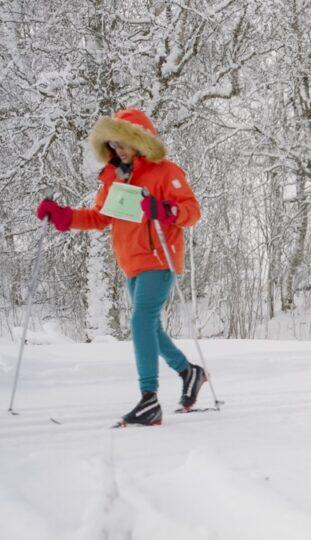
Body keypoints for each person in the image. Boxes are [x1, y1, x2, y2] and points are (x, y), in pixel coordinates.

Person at [35, 109, 204, 426]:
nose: (118, 149)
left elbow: (192, 211)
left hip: (159, 259)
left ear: (139, 141)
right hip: (131, 263)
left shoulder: (165, 171)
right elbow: (100, 217)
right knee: (150, 327)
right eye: (113, 144)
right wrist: (64, 216)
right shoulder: (114, 177)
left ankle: (149, 399)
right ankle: (188, 372)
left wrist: (165, 209)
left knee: (141, 321)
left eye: (123, 143)